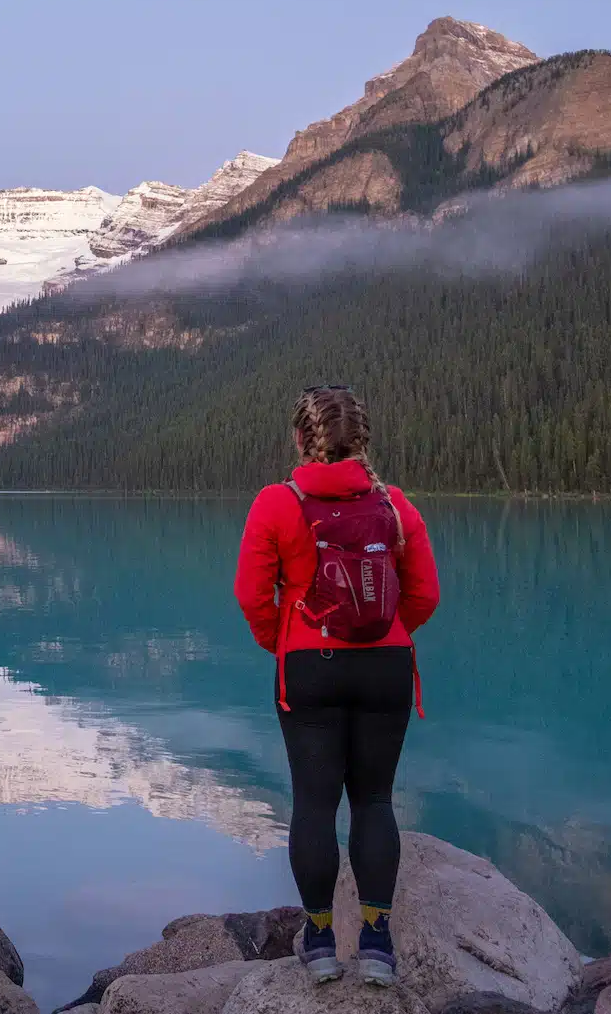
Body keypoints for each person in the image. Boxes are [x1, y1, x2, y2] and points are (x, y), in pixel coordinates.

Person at [233, 386, 440, 986]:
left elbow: (252, 593)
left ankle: (320, 941)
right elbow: (424, 594)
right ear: (363, 441)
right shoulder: (396, 505)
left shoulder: (277, 502)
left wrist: (284, 641)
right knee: (374, 801)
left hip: (310, 666)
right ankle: (377, 943)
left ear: (301, 440)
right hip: (386, 667)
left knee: (315, 804)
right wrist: (388, 635)